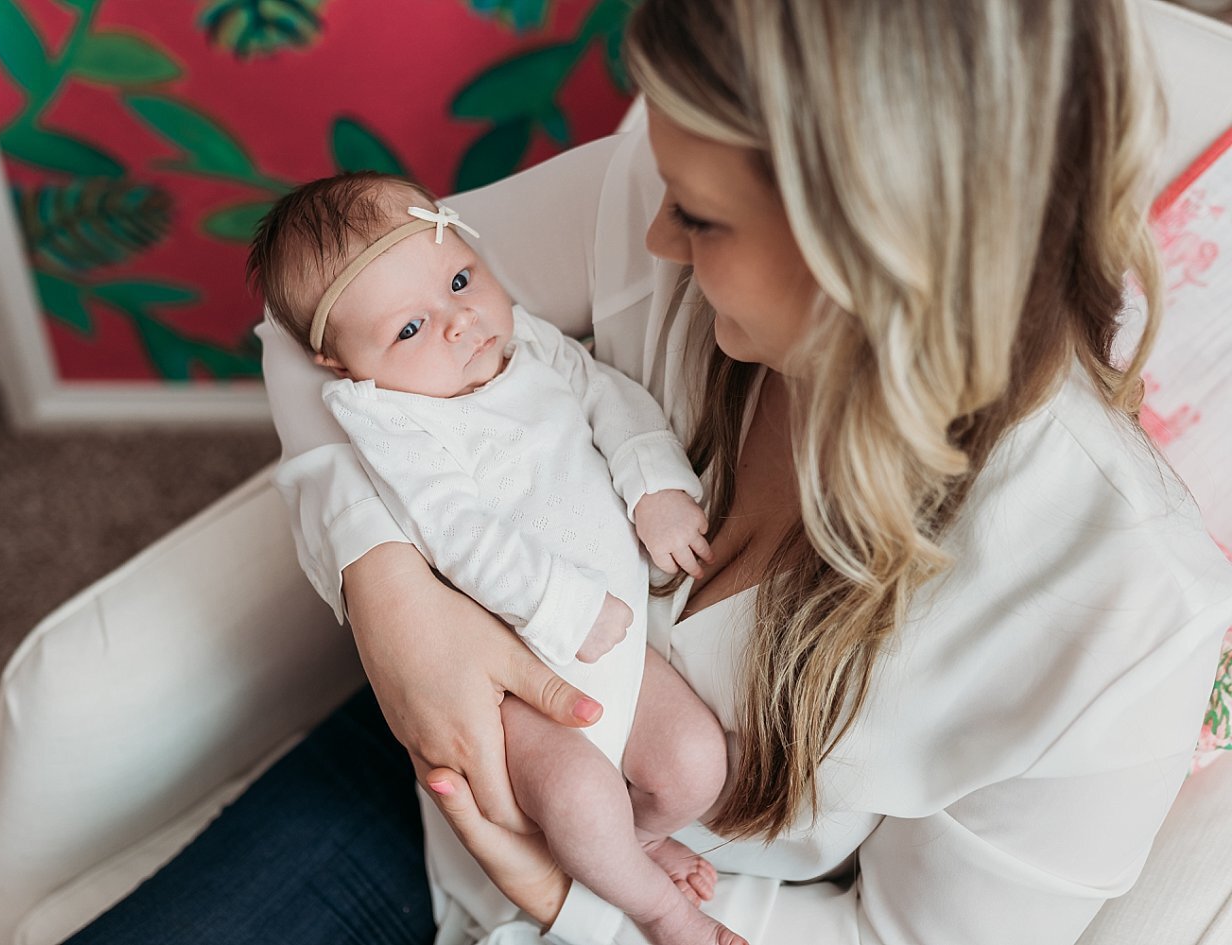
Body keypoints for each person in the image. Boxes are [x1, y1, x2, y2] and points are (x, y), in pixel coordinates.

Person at [63, 0, 1232, 942]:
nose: (657, 237)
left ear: (878, 257)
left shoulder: (1119, 615)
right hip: (435, 785)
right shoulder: (649, 187)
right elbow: (317, 322)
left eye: (705, 221)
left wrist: (571, 900)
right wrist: (391, 601)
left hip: (682, 902)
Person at [248, 171, 738, 944]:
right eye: (408, 330)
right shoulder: (393, 418)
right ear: (343, 369)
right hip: (521, 682)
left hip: (620, 655)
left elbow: (610, 399)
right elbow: (459, 531)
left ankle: (637, 841)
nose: (457, 321)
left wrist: (656, 489)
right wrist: (562, 603)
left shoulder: (528, 344)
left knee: (695, 761)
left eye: (460, 279)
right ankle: (660, 909)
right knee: (578, 798)